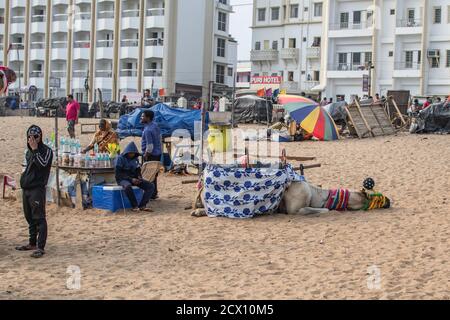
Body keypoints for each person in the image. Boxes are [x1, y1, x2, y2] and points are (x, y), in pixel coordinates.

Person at [16, 125, 53, 258]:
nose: (33, 140)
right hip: (26, 188)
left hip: (37, 188)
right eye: (30, 137)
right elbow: (26, 167)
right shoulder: (28, 151)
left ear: (40, 137)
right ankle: (32, 243)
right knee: (29, 217)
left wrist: (36, 150)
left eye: (36, 137)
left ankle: (40, 247)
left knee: (39, 218)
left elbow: (43, 164)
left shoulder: (46, 151)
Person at [115, 142, 155, 212]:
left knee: (150, 186)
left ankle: (142, 205)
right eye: (130, 153)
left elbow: (138, 170)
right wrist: (131, 179)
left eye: (133, 153)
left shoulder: (135, 159)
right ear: (127, 152)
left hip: (134, 178)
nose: (132, 154)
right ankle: (134, 206)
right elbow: (118, 174)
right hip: (123, 179)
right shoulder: (120, 158)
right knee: (128, 186)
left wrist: (139, 177)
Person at [141, 110, 162, 200]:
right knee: (154, 175)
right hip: (157, 153)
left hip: (151, 154)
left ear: (148, 118)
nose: (141, 118)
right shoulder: (155, 126)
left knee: (148, 175)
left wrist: (146, 155)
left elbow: (150, 146)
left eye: (143, 116)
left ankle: (151, 194)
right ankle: (154, 193)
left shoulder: (148, 130)